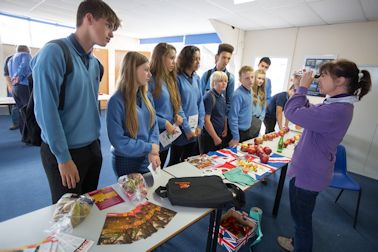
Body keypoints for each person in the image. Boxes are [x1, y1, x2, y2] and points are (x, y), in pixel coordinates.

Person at [31, 0, 120, 204]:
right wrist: (63, 157)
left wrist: (95, 149)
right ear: (89, 18)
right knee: (66, 219)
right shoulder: (54, 52)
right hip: (65, 152)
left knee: (87, 210)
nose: (112, 33)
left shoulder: (95, 63)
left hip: (92, 148)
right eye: (108, 25)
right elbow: (46, 111)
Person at [277, 59, 372, 252]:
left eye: (324, 75)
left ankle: (300, 246)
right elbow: (308, 111)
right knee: (300, 217)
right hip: (309, 169)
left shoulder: (337, 111)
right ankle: (297, 243)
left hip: (308, 173)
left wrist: (303, 88)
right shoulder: (337, 105)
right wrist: (298, 87)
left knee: (302, 221)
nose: (318, 79)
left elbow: (292, 112)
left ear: (340, 80)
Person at [107, 52, 160, 177]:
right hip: (126, 161)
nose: (150, 74)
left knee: (149, 194)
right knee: (131, 196)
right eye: (146, 70)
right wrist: (149, 148)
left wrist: (153, 150)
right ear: (132, 70)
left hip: (146, 157)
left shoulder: (147, 96)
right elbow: (119, 141)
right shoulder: (116, 101)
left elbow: (154, 124)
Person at [148, 43, 184, 167]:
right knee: (151, 173)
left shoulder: (170, 79)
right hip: (153, 133)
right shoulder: (150, 80)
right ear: (160, 58)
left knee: (160, 168)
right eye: (171, 58)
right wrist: (165, 123)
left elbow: (173, 104)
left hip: (167, 134)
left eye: (175, 58)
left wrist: (176, 115)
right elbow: (146, 112)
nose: (174, 62)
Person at [169, 45, 205, 165]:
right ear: (186, 59)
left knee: (190, 161)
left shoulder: (197, 78)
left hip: (195, 128)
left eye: (199, 58)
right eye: (195, 59)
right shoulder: (176, 78)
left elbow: (200, 103)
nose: (198, 62)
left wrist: (200, 125)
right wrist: (187, 129)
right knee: (175, 162)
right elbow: (177, 107)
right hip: (181, 129)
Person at [199, 71, 228, 154]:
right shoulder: (209, 97)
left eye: (225, 81)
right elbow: (206, 121)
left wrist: (225, 128)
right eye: (221, 81)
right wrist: (215, 137)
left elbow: (224, 114)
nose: (224, 83)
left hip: (219, 134)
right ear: (213, 83)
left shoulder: (222, 96)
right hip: (209, 136)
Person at [200, 43, 235, 113]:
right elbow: (200, 97)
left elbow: (229, 102)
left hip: (219, 118)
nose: (226, 61)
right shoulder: (206, 75)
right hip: (204, 114)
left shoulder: (230, 78)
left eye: (228, 58)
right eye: (224, 57)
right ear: (217, 57)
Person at [7, 45, 32, 133]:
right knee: (29, 110)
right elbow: (24, 66)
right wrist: (18, 77)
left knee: (21, 111)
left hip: (15, 88)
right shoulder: (26, 55)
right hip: (24, 86)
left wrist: (14, 79)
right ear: (27, 50)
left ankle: (24, 134)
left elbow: (10, 74)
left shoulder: (10, 59)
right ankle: (32, 136)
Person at [228, 66, 255, 147]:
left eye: (252, 77)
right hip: (238, 132)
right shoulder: (238, 95)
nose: (250, 80)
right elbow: (233, 117)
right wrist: (236, 137)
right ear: (240, 80)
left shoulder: (250, 91)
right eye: (247, 78)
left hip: (247, 130)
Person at [3, 54, 20, 130]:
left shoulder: (27, 58)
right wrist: (11, 87)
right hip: (12, 84)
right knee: (14, 104)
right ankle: (16, 123)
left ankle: (25, 122)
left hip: (23, 85)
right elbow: (7, 76)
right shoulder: (9, 59)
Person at [250, 69, 267, 138]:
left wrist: (260, 120)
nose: (261, 81)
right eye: (259, 78)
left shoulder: (262, 92)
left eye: (263, 79)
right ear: (254, 78)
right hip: (250, 120)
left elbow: (264, 108)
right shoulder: (249, 90)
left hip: (258, 121)